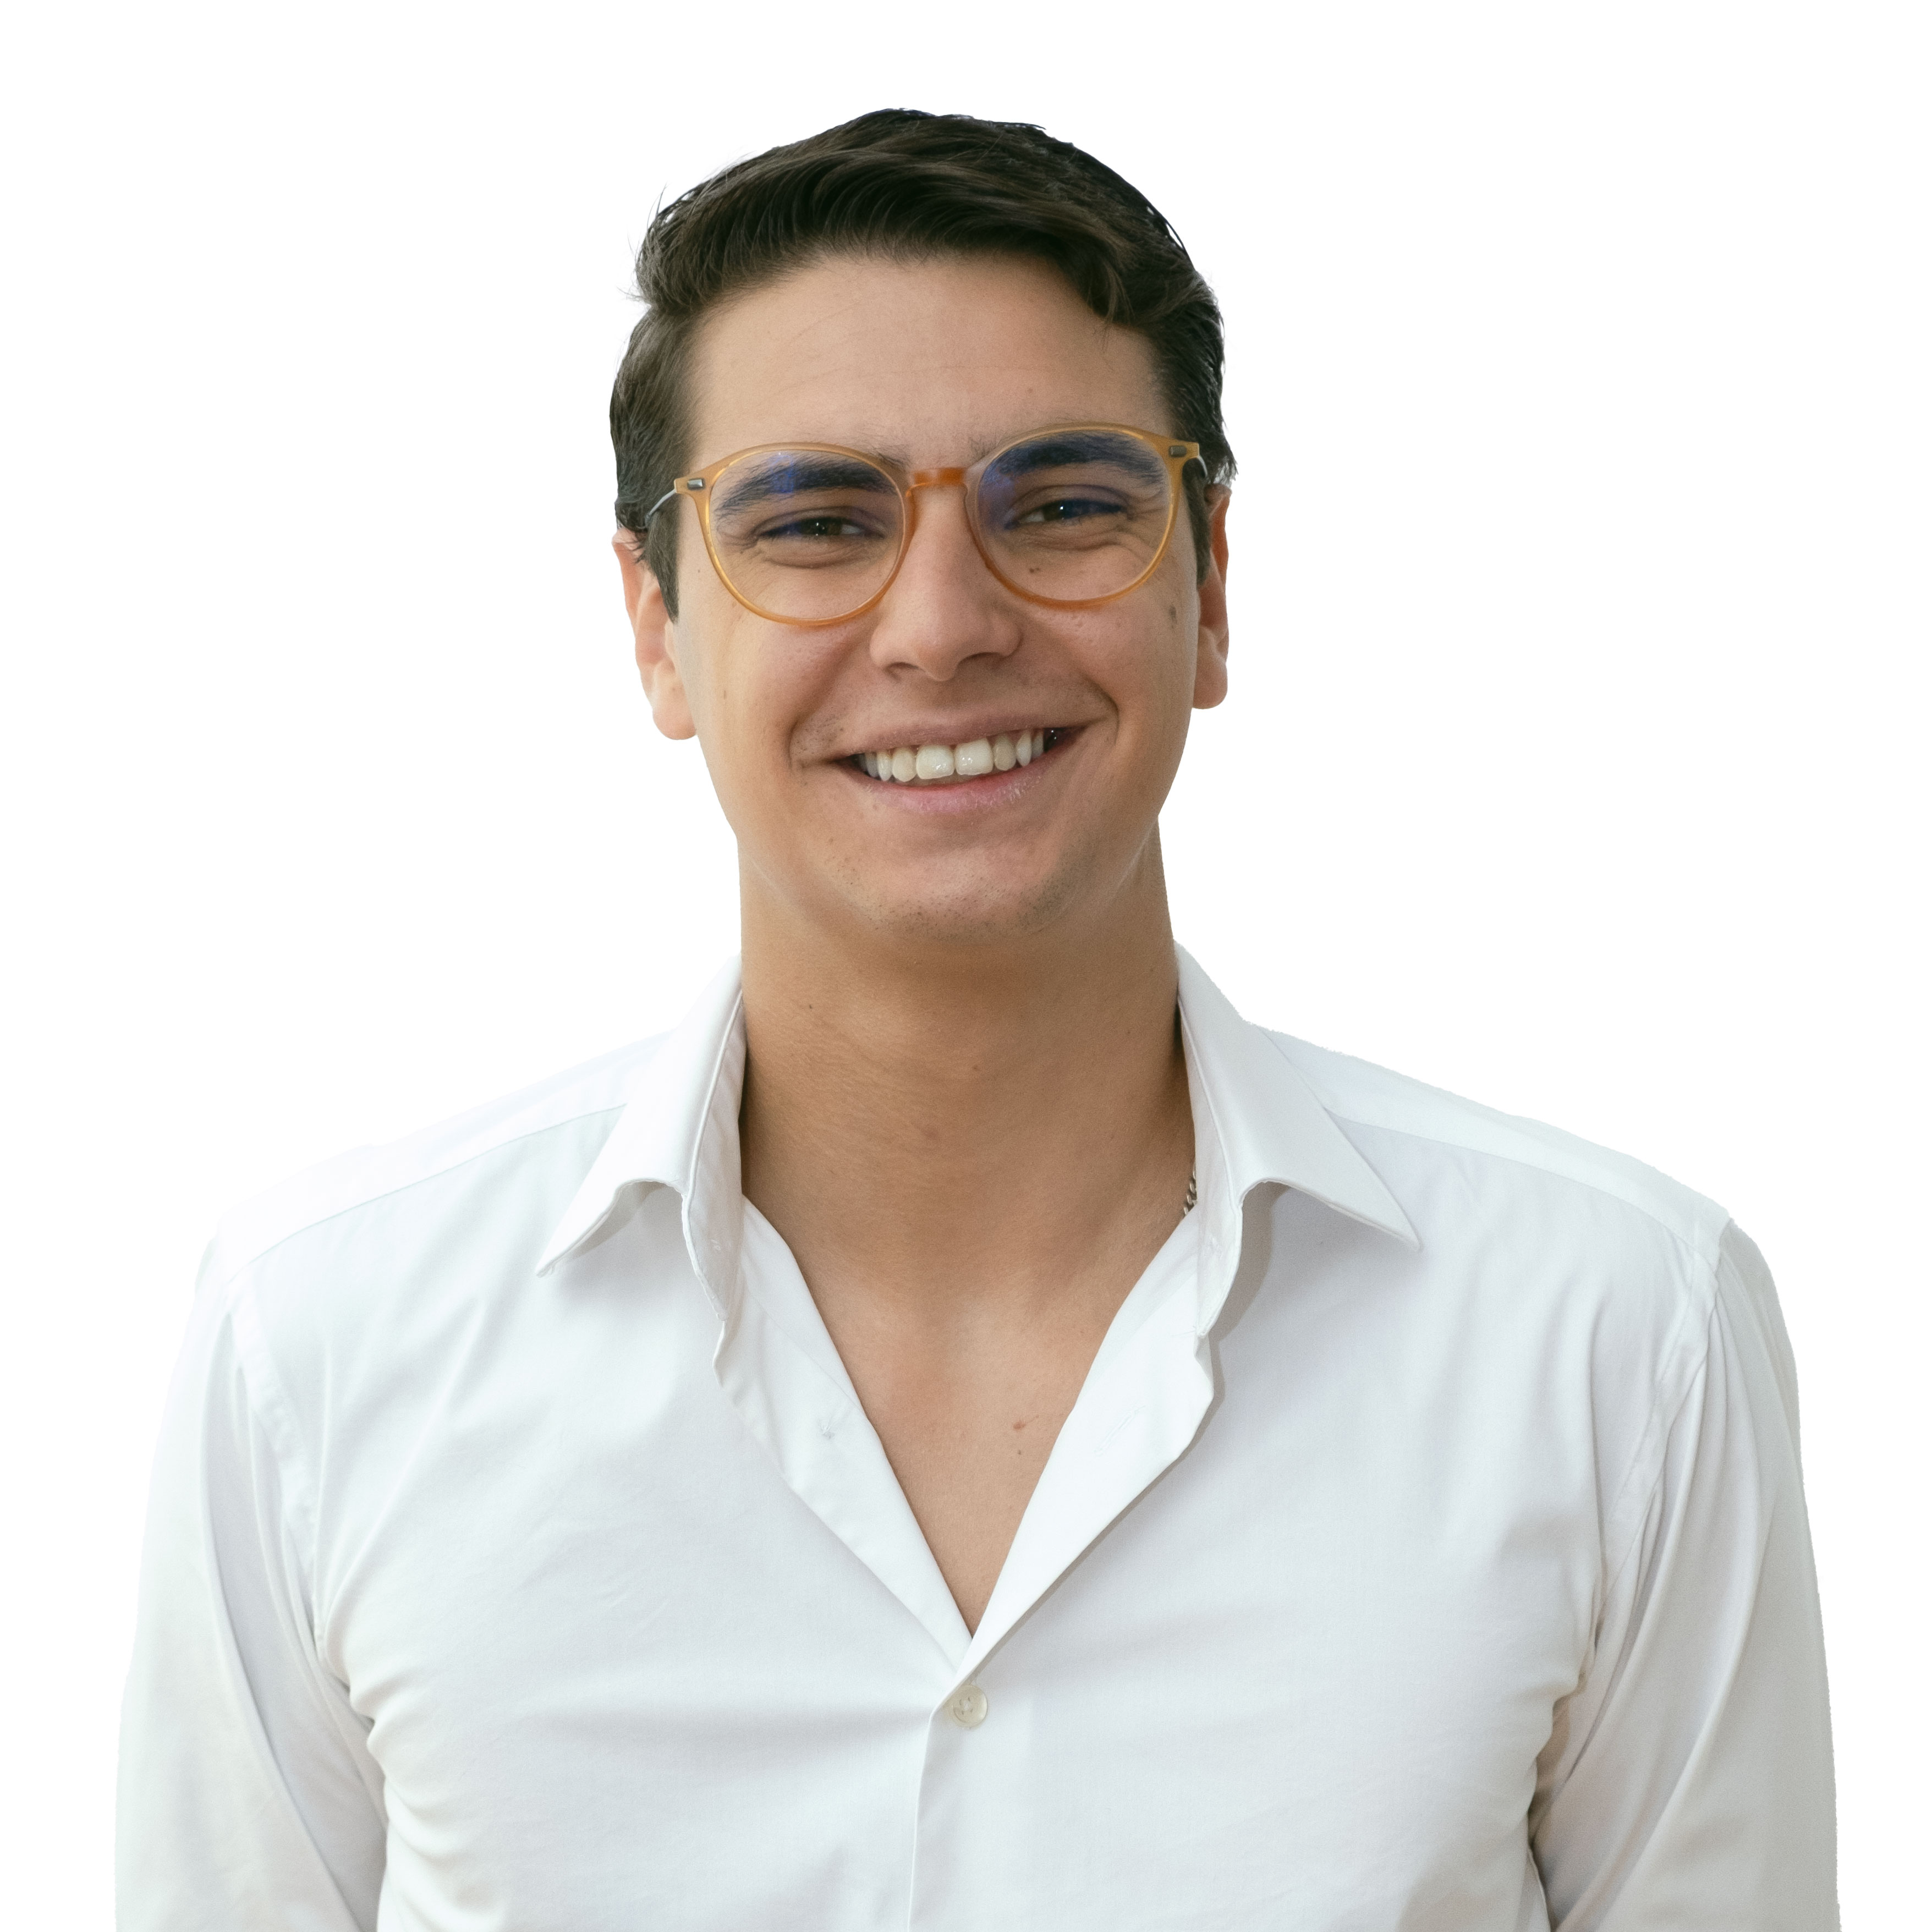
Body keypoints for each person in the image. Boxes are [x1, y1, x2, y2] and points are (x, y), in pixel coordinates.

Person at [117, 110, 1836, 1930]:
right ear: (654, 624)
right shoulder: (317, 1352)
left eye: (1070, 503)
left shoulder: (1618, 1336)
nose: (940, 625)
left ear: (1213, 584)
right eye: (813, 518)